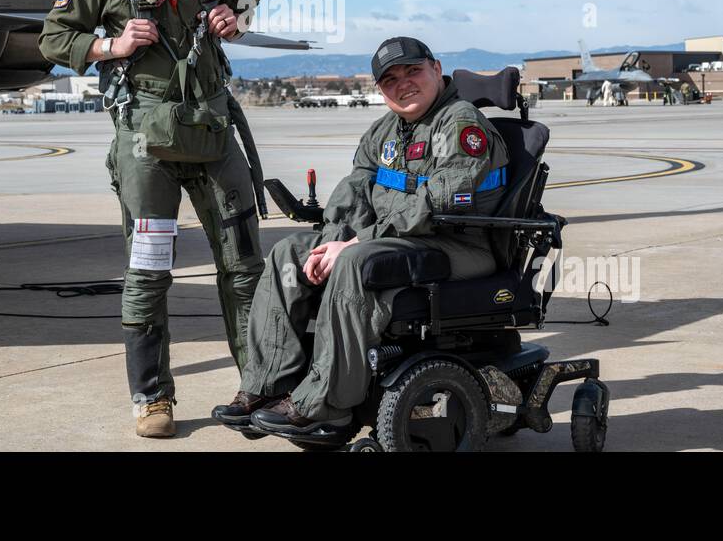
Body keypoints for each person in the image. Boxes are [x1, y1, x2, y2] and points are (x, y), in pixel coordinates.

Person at [39, 0, 264, 438]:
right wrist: (111, 45)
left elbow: (248, 4)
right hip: (147, 142)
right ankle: (152, 400)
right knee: (150, 271)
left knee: (244, 268)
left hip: (213, 134)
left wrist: (233, 18)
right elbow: (53, 36)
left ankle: (261, 384)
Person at [212, 37, 510, 436]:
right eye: (390, 79)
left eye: (413, 71)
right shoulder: (387, 129)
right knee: (288, 254)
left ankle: (327, 405)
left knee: (355, 262)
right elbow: (355, 190)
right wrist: (327, 243)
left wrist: (354, 244)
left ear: (437, 69)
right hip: (399, 242)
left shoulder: (459, 123)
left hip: (459, 245)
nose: (403, 84)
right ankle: (267, 385)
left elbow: (438, 203)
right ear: (380, 89)